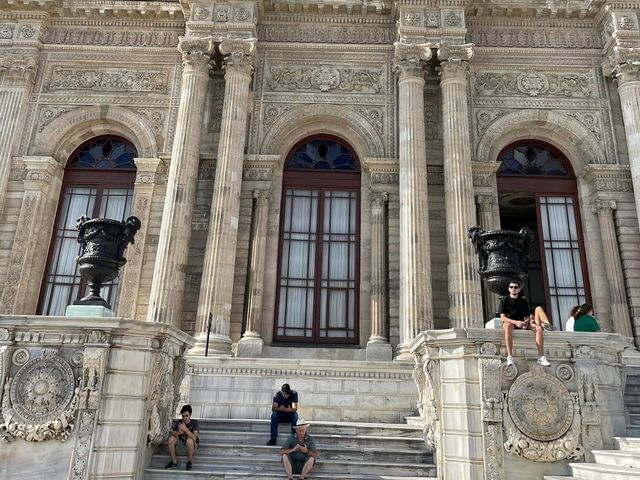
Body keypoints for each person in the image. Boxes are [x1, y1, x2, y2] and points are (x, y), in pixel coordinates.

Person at [500, 280, 551, 367]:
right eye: (511, 287)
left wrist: (526, 323)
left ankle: (541, 357)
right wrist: (515, 322)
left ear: (519, 289)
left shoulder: (523, 300)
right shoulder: (504, 299)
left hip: (521, 322)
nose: (513, 289)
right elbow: (502, 317)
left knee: (538, 329)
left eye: (515, 287)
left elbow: (527, 316)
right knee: (507, 326)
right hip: (511, 322)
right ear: (508, 289)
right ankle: (510, 356)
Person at [164, 404, 199, 471]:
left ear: (190, 415)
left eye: (186, 415)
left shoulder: (195, 422)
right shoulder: (179, 422)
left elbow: (195, 438)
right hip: (181, 444)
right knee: (171, 439)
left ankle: (189, 462)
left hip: (191, 446)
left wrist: (185, 429)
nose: (184, 418)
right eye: (183, 416)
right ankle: (174, 462)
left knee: (189, 440)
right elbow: (172, 435)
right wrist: (178, 433)